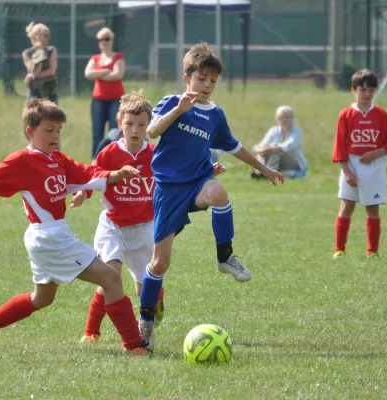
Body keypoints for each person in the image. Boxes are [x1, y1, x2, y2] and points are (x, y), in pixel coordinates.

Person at [0, 99, 149, 354]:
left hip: (48, 237)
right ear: (30, 131)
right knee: (111, 278)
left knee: (43, 298)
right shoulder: (21, 161)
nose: (56, 135)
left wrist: (118, 174)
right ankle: (134, 344)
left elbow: (87, 173)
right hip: (49, 236)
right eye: (49, 130)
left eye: (58, 130)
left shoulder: (57, 159)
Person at [136, 42, 284, 350]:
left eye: (213, 81)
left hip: (198, 182)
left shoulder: (215, 115)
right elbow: (152, 131)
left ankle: (225, 256)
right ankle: (146, 322)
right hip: (167, 190)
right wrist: (179, 109)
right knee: (160, 263)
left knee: (219, 192)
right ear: (187, 76)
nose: (207, 86)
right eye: (201, 79)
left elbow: (235, 147)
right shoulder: (173, 102)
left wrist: (265, 168)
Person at [72, 91, 226, 347]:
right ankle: (91, 330)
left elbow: (180, 176)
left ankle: (154, 303)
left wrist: (209, 172)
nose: (135, 130)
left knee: (147, 291)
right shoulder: (108, 153)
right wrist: (82, 193)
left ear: (150, 124)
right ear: (119, 122)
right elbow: (96, 179)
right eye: (129, 124)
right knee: (110, 275)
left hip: (146, 228)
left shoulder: (157, 153)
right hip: (113, 225)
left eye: (142, 124)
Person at [332, 69, 387, 259]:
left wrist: (375, 153)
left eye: (371, 90)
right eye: (363, 89)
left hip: (373, 167)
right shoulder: (346, 115)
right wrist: (347, 171)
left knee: (372, 208)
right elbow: (340, 144)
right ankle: (339, 249)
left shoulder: (381, 115)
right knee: (346, 205)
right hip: (351, 164)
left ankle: (372, 251)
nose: (367, 94)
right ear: (353, 90)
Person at [85, 27, 126, 160]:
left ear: (112, 41)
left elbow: (117, 75)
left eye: (107, 39)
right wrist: (106, 72)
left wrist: (97, 74)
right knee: (97, 133)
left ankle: (115, 158)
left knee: (114, 132)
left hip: (116, 100)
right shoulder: (95, 58)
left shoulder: (118, 57)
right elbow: (88, 73)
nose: (104, 42)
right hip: (98, 100)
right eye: (101, 39)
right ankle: (95, 160)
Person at [251, 105, 308, 179]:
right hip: (278, 163)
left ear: (293, 119)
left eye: (287, 117)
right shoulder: (273, 131)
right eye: (281, 117)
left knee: (275, 148)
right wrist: (261, 149)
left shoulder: (297, 131)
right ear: (277, 119)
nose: (284, 120)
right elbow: (262, 144)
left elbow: (288, 146)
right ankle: (261, 172)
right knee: (263, 150)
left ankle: (268, 173)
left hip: (294, 164)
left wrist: (273, 149)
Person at [22, 22, 58, 104]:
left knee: (52, 116)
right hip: (35, 92)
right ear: (36, 37)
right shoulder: (27, 53)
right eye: (45, 36)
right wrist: (39, 53)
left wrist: (33, 76)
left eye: (48, 35)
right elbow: (34, 70)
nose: (48, 38)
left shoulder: (51, 50)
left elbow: (52, 71)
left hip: (50, 91)